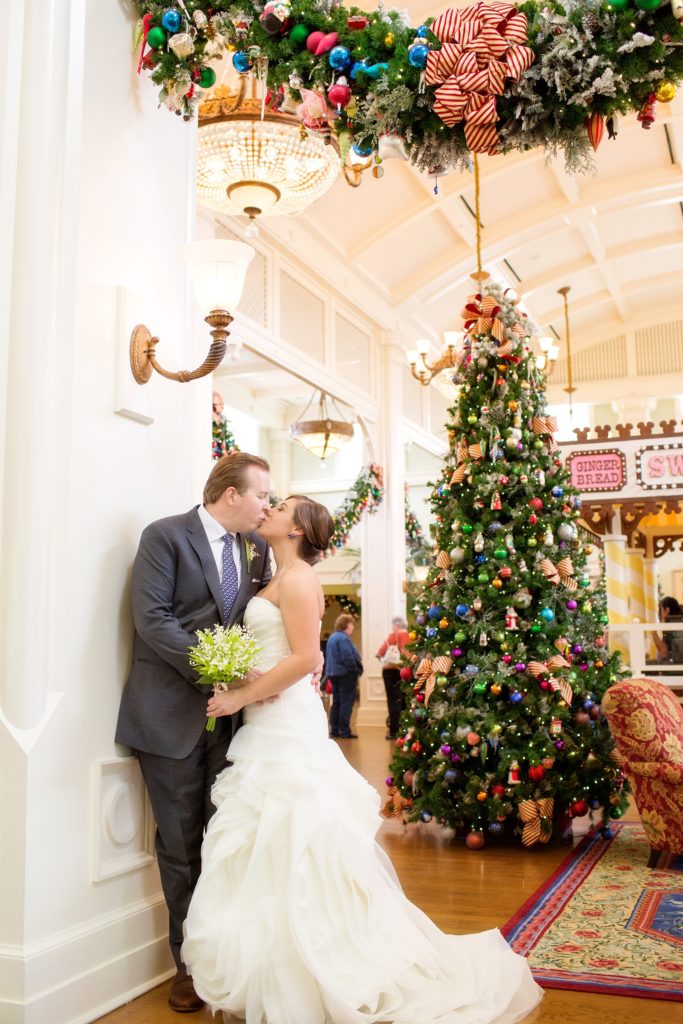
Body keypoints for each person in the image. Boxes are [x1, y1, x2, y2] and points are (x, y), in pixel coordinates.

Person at [182, 495, 542, 1024]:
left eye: (281, 506)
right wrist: (238, 680)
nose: (270, 510)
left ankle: (316, 959)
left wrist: (237, 696)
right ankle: (273, 961)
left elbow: (307, 657)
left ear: (299, 528)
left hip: (285, 725)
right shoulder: (271, 575)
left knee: (298, 834)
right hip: (266, 722)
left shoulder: (299, 577)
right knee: (269, 840)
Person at [115, 452, 272, 1013]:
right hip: (167, 718)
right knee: (181, 848)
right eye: (261, 496)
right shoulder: (165, 537)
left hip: (235, 723)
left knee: (224, 843)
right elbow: (153, 620)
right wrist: (224, 667)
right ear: (230, 494)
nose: (267, 506)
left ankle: (225, 954)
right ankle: (189, 968)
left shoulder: (259, 551)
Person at [324, 612, 363, 739]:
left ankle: (334, 730)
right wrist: (354, 670)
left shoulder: (332, 637)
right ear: (346, 625)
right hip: (346, 674)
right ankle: (345, 731)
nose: (352, 627)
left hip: (333, 673)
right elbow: (348, 657)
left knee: (337, 702)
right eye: (351, 625)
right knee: (346, 702)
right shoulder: (344, 638)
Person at [376, 615, 411, 740]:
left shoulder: (393, 636)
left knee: (393, 701)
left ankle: (394, 731)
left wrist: (380, 656)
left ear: (396, 625)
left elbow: (380, 652)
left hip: (391, 671)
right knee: (404, 700)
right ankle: (406, 729)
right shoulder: (410, 636)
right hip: (405, 671)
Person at [654, 595, 683, 663]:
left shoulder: (671, 628)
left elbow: (664, 652)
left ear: (666, 610)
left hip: (674, 670)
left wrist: (653, 632)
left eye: (660, 611)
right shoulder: (677, 625)